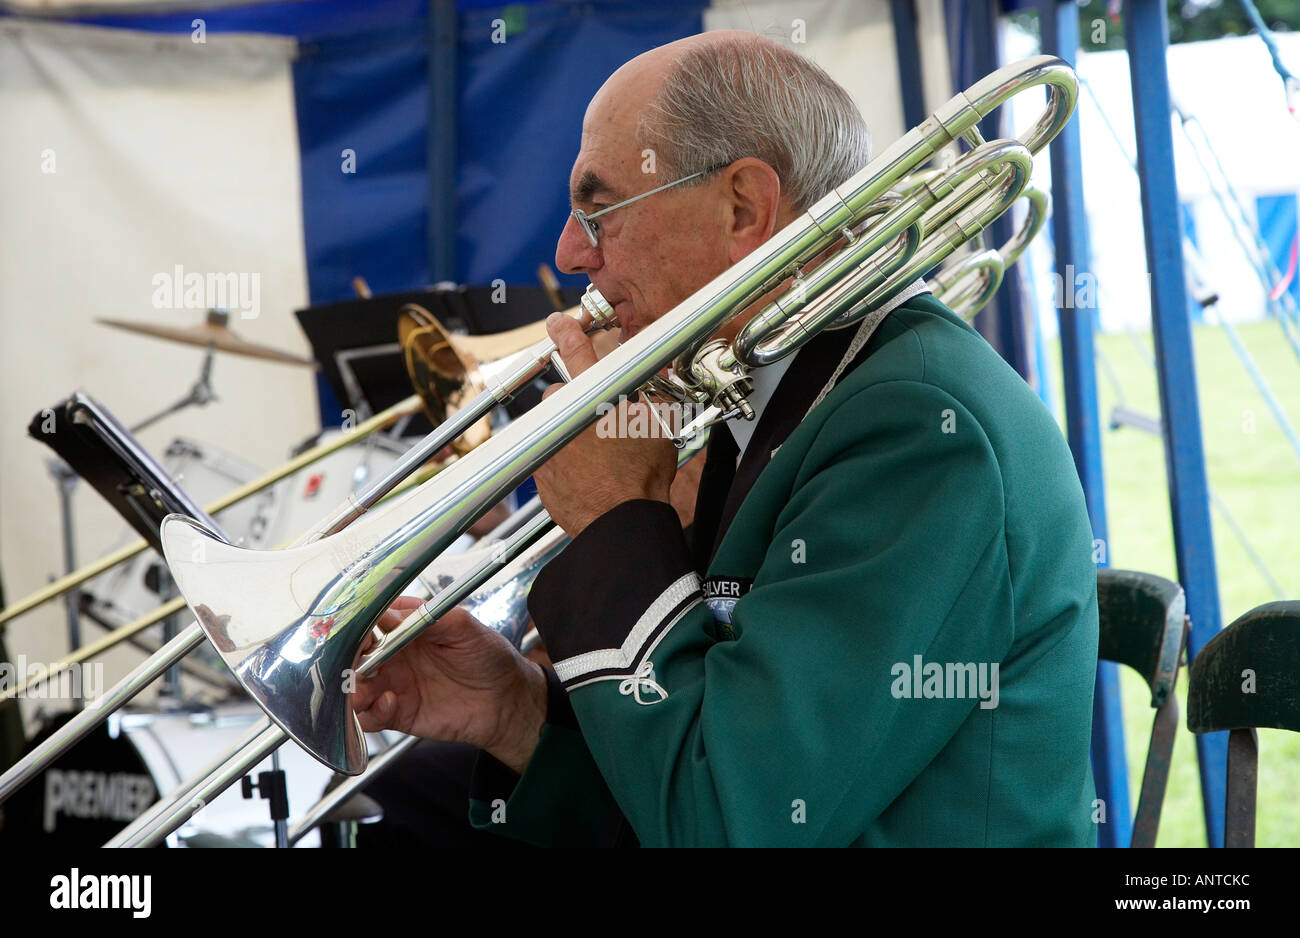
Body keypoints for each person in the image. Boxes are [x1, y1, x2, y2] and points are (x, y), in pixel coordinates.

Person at [353, 31, 1099, 847]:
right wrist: (514, 710)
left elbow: (736, 821)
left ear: (743, 206)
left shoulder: (915, 426)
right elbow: (699, 755)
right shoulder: (795, 391)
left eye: (599, 211)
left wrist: (614, 522)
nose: (571, 254)